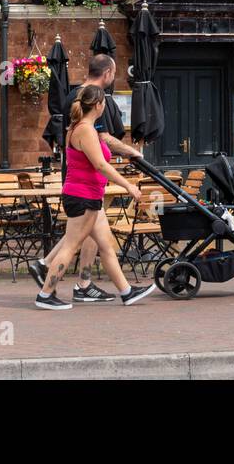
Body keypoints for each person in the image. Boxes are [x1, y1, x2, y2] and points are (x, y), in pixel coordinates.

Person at [34, 85, 155, 310]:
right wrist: (128, 185)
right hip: (82, 196)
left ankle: (127, 292)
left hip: (89, 196)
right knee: (70, 247)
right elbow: (100, 164)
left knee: (106, 246)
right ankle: (45, 294)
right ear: (98, 105)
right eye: (104, 104)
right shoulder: (85, 130)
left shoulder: (81, 127)